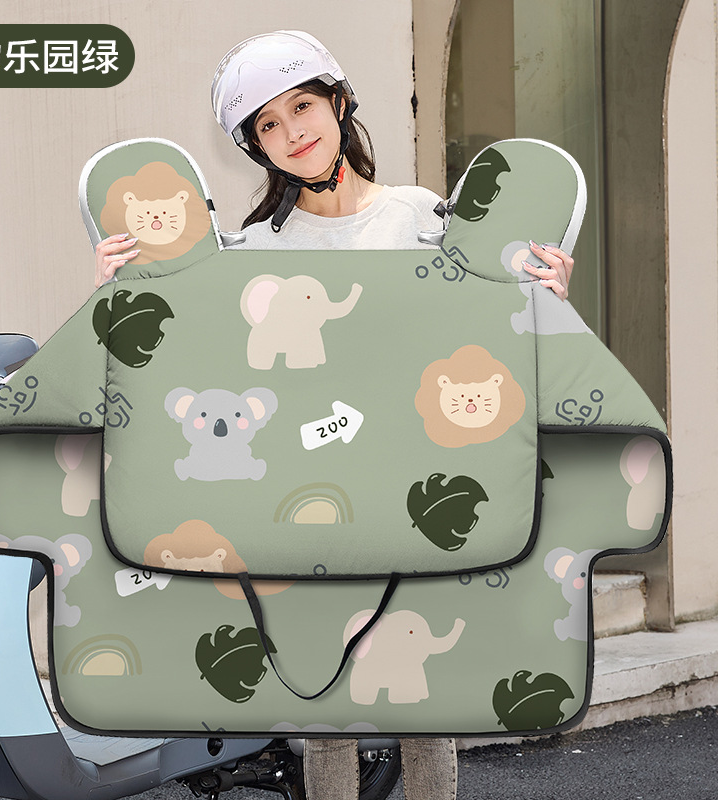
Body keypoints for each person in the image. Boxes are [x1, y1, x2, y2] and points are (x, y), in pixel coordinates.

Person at [94, 30, 573, 800]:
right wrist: (120, 287)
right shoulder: (252, 250)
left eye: (302, 107)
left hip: (413, 490)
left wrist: (545, 293)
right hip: (308, 496)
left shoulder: (422, 218)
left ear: (340, 103)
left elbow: (487, 337)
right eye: (268, 125)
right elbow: (186, 359)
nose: (292, 132)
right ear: (255, 147)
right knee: (325, 703)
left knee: (426, 705)